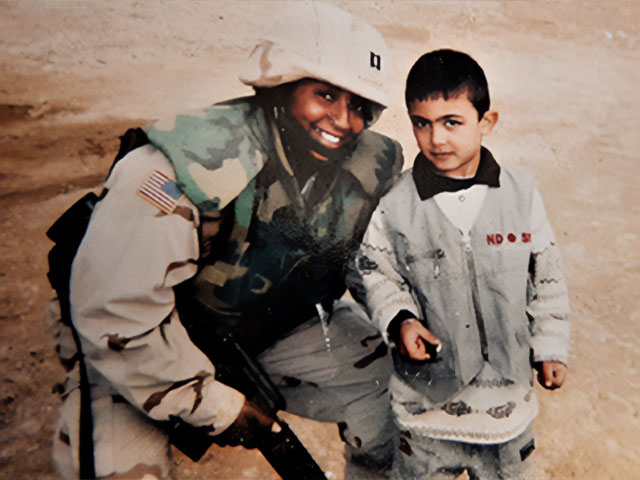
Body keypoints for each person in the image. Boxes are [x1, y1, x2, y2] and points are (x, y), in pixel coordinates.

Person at [49, 2, 404, 479]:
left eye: (360, 106)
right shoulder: (178, 168)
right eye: (325, 95)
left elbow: (374, 261)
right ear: (280, 84)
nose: (343, 120)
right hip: (138, 346)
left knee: (396, 386)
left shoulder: (366, 165)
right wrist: (216, 406)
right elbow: (115, 317)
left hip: (262, 328)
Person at [351, 49, 571, 479]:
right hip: (426, 411)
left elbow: (546, 275)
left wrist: (550, 347)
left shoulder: (521, 194)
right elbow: (375, 272)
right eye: (422, 123)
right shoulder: (395, 204)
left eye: (453, 122)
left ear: (486, 123)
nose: (437, 139)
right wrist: (402, 321)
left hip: (506, 411)